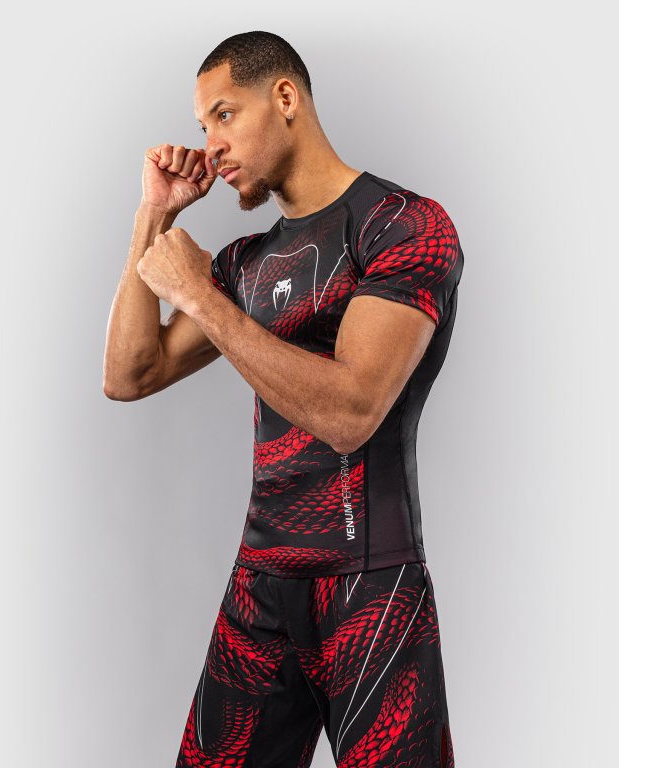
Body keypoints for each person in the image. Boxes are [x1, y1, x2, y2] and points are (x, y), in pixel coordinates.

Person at [103, 30, 463, 768]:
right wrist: (154, 216)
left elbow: (350, 412)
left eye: (224, 114)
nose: (211, 146)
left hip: (371, 590)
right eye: (203, 125)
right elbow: (129, 374)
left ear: (286, 97)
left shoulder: (402, 226)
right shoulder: (248, 263)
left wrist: (201, 298)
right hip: (260, 589)